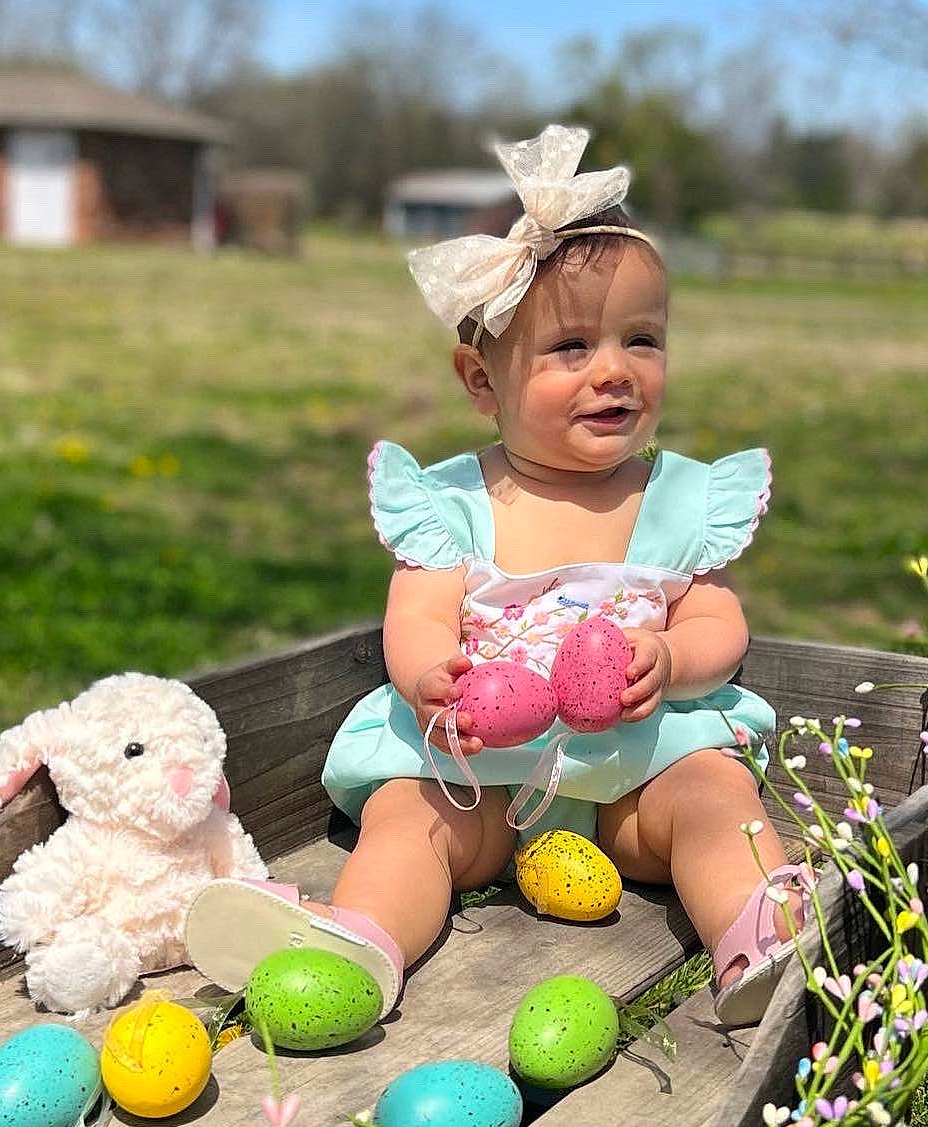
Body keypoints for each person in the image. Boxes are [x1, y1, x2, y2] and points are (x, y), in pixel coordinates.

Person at [186, 125, 812, 1028]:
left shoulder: (680, 498)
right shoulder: (450, 503)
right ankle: (360, 945)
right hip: (480, 779)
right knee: (407, 818)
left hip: (639, 780)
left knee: (718, 793)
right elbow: (421, 616)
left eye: (643, 339)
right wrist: (429, 677)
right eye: (570, 349)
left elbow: (720, 627)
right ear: (482, 380)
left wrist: (670, 659)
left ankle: (763, 937)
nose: (615, 371)